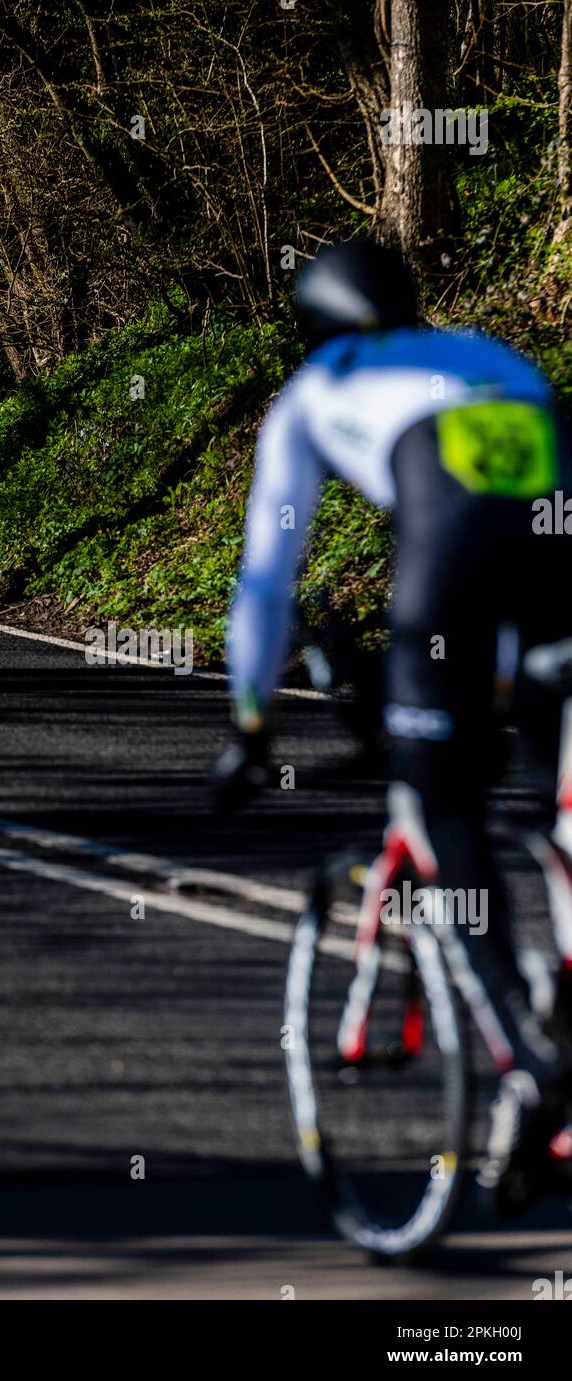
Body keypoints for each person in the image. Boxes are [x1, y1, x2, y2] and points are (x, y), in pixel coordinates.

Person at [213, 237, 572, 1213]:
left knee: (435, 795)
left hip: (450, 566)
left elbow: (263, 579)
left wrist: (248, 724)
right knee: (553, 802)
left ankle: (530, 1057)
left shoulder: (313, 391)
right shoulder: (488, 356)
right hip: (557, 548)